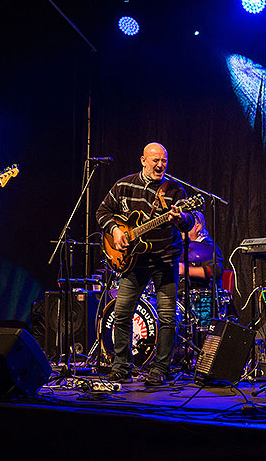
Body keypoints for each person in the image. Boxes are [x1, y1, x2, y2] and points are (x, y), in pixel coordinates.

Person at [96, 142, 194, 386]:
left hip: (165, 258)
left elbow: (188, 223)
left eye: (163, 161)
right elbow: (102, 212)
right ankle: (121, 367)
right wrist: (116, 231)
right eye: (155, 161)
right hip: (133, 261)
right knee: (121, 313)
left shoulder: (174, 190)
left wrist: (181, 217)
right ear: (143, 160)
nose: (160, 165)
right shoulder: (124, 185)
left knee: (168, 317)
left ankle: (160, 369)